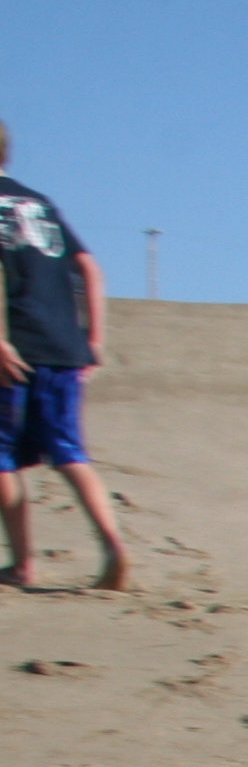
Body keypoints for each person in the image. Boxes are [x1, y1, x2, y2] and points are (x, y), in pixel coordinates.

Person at [0, 120, 132, 593]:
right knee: (69, 451)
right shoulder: (39, 202)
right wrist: (93, 337)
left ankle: (23, 563)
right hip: (63, 346)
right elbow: (89, 268)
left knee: (1, 456)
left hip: (13, 348)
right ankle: (113, 545)